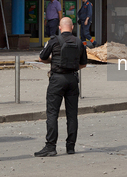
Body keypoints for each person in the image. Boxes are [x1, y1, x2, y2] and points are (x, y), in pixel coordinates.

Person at [35, 17, 88, 157]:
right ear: (71, 28)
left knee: (52, 113)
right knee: (72, 115)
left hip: (57, 80)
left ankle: (51, 147)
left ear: (60, 27)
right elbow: (83, 64)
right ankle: (70, 147)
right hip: (72, 80)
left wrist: (53, 60)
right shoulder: (79, 42)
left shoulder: (54, 40)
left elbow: (41, 57)